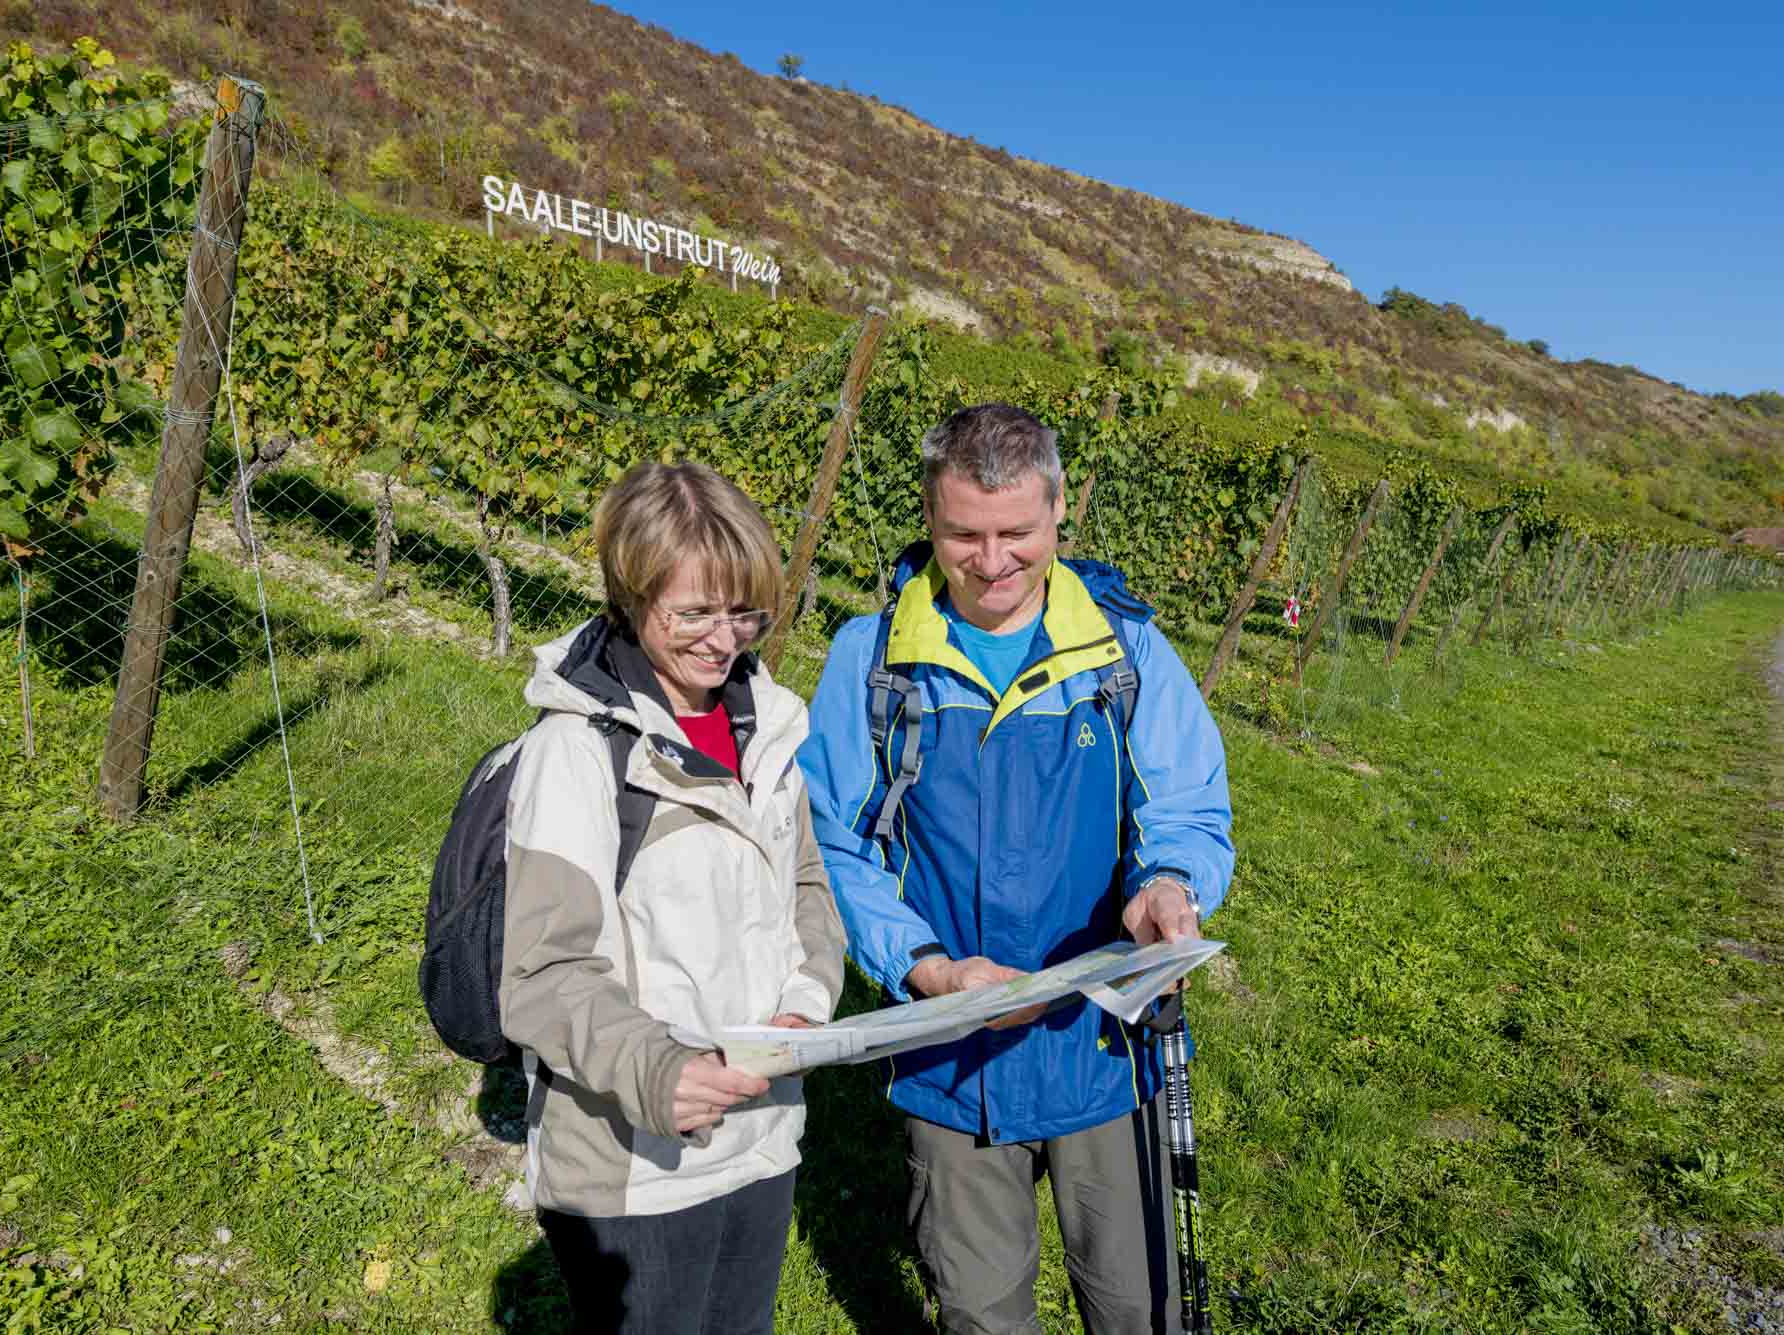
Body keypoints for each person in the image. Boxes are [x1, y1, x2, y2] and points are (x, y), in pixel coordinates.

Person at [797, 403, 1235, 1334]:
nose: (992, 561)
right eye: (964, 534)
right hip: (955, 1051)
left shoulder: (1127, 653)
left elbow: (1186, 806)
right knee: (981, 1312)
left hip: (1111, 1052)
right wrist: (926, 969)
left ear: (1060, 511)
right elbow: (832, 844)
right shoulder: (869, 664)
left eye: (1017, 533)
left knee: (1139, 1307)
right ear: (929, 514)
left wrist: (1169, 886)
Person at [498, 461, 846, 1334]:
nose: (722, 639)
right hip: (633, 1165)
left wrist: (803, 1011)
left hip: (760, 1138)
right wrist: (659, 1072)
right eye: (693, 612)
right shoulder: (577, 754)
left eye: (744, 612)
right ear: (629, 593)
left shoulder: (767, 731)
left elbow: (807, 889)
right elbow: (542, 972)